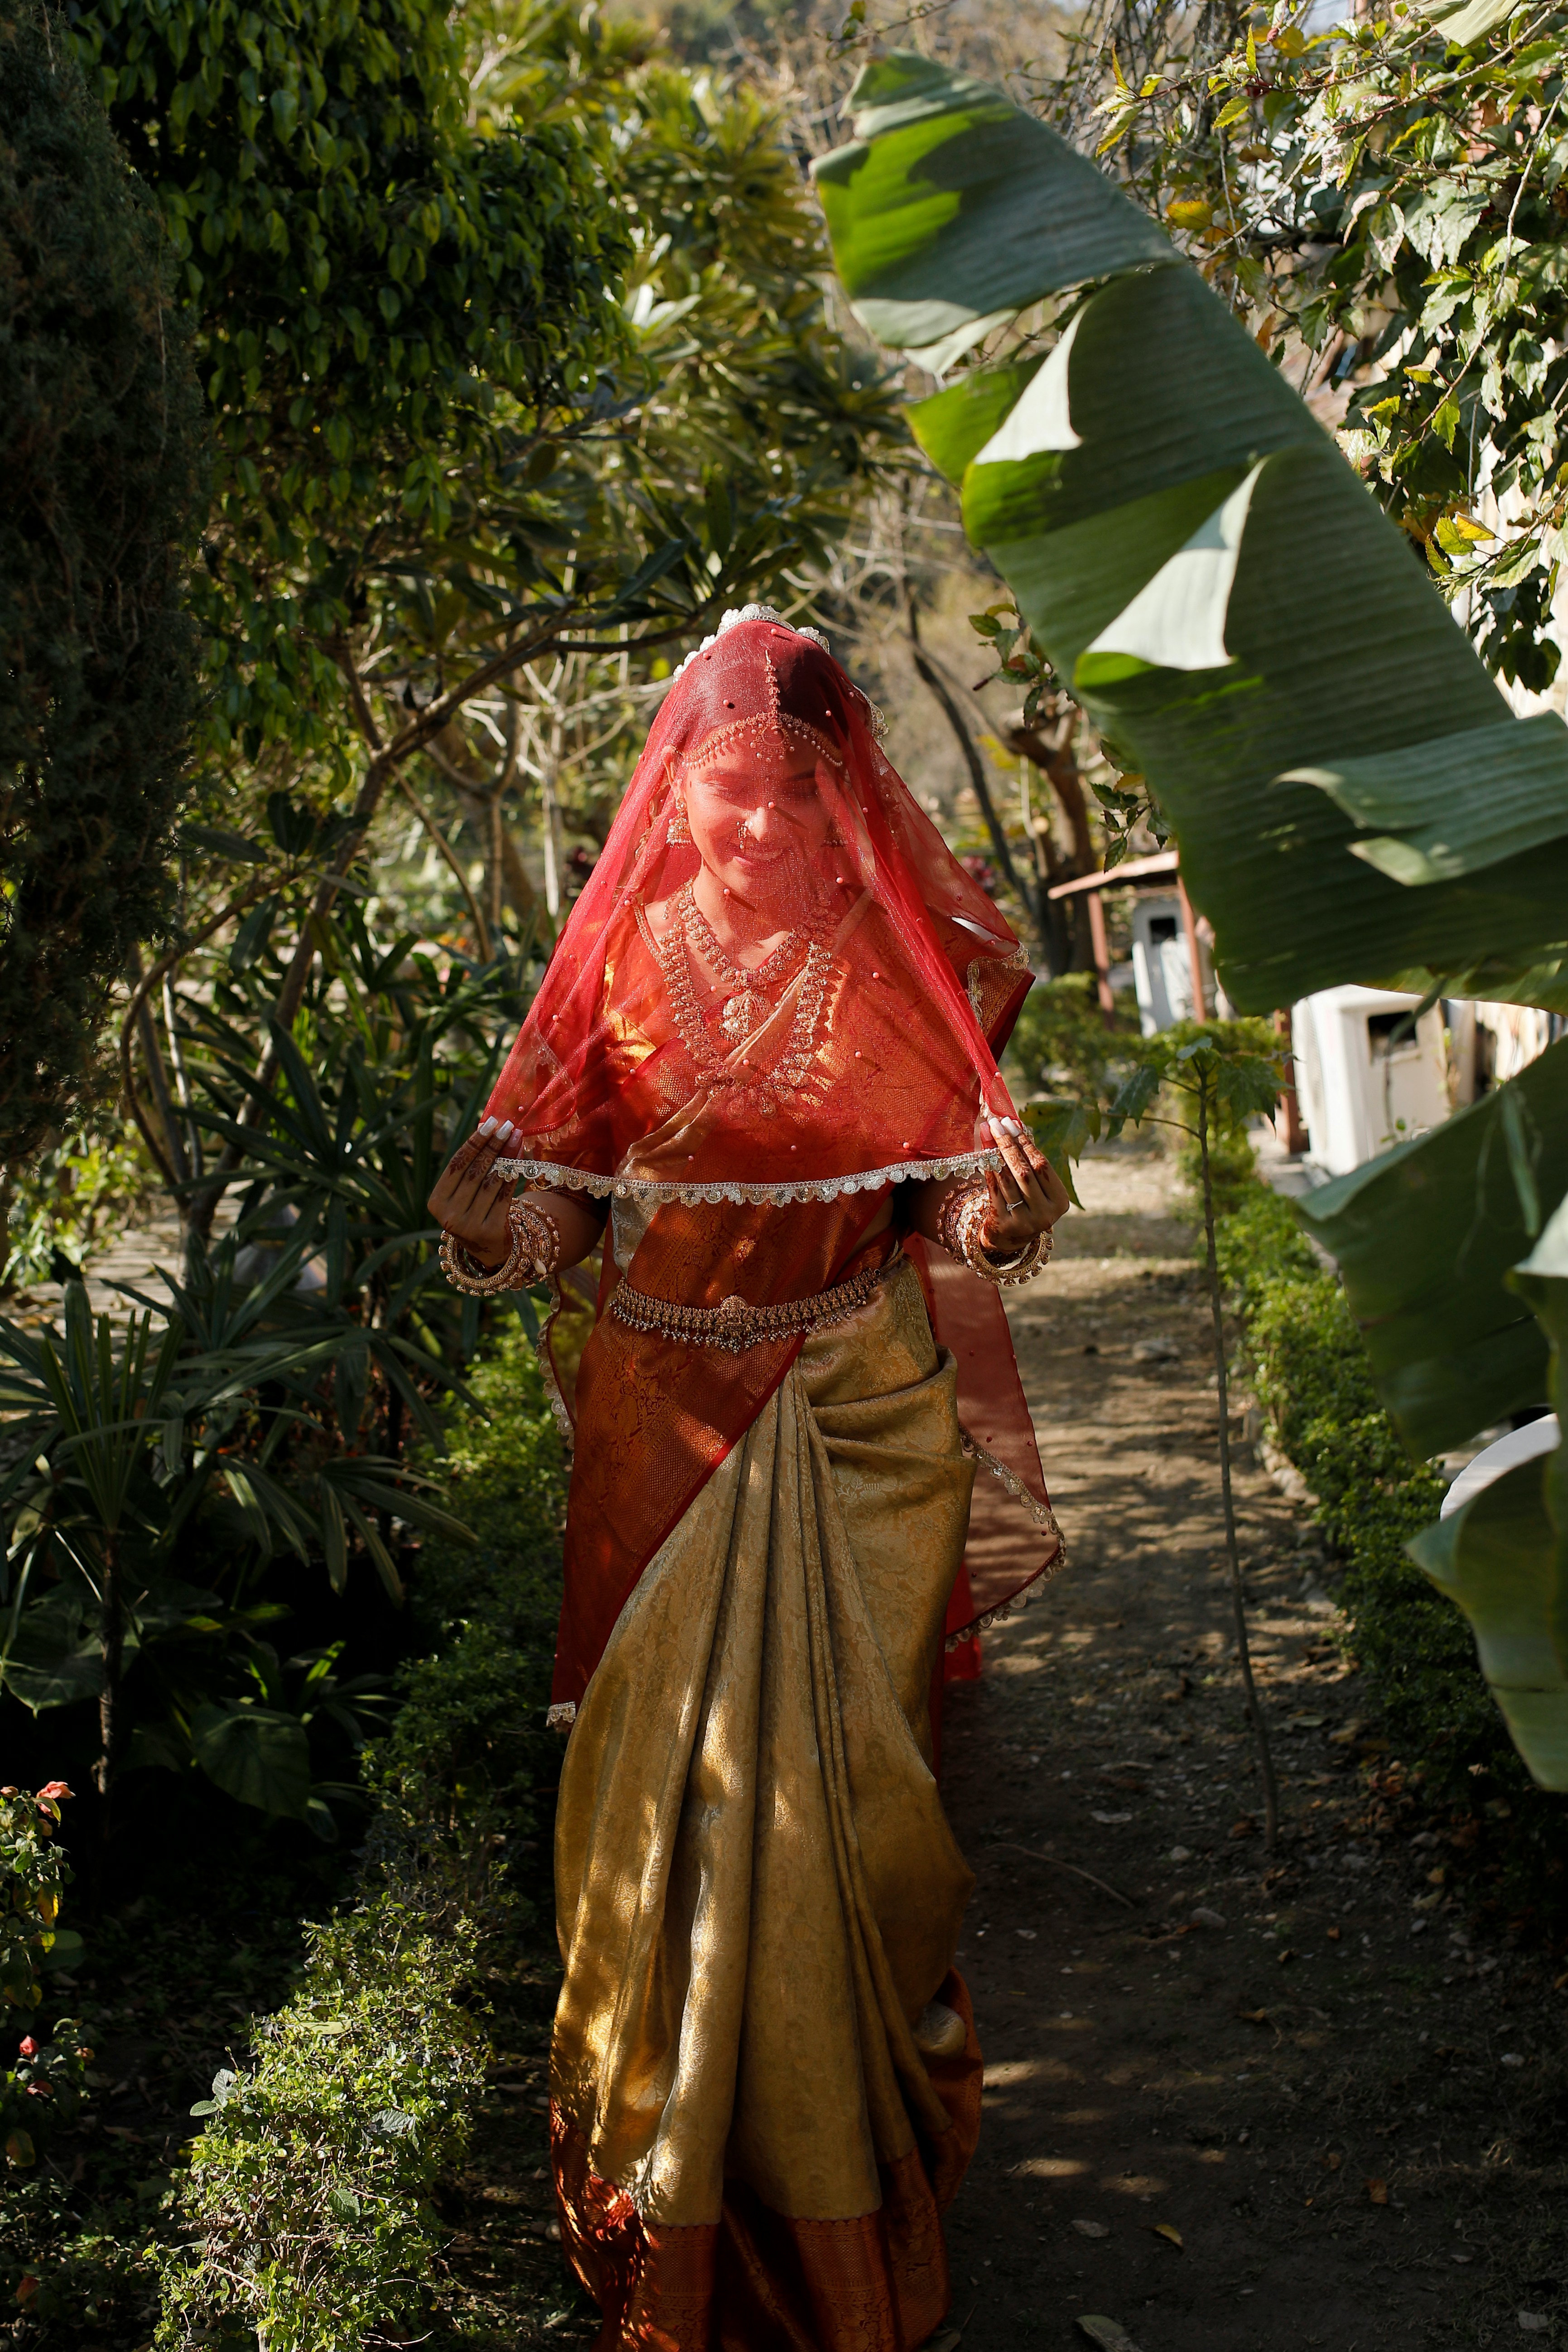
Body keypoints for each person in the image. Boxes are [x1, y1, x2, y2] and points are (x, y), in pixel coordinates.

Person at [428, 607, 1069, 2352]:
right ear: (678, 793)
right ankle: (670, 2201)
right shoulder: (622, 961)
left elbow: (947, 1193)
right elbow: (561, 1190)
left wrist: (994, 1206)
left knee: (856, 1825)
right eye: (728, 791)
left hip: (863, 1419)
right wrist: (511, 1235)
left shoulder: (901, 960)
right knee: (670, 1815)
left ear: (841, 787)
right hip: (663, 1432)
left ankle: (862, 2164)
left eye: (794, 791)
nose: (761, 827)